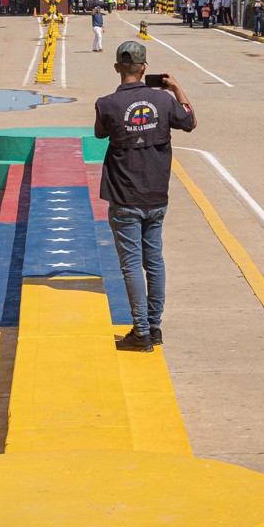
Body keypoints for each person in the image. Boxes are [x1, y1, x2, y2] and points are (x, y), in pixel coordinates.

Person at [94, 39, 196, 353]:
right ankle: (154, 326)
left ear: (116, 68)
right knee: (154, 262)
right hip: (156, 196)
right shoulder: (163, 101)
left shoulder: (106, 103)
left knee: (131, 266)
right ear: (144, 68)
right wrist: (176, 89)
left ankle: (140, 333)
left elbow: (100, 133)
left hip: (124, 197)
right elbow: (189, 121)